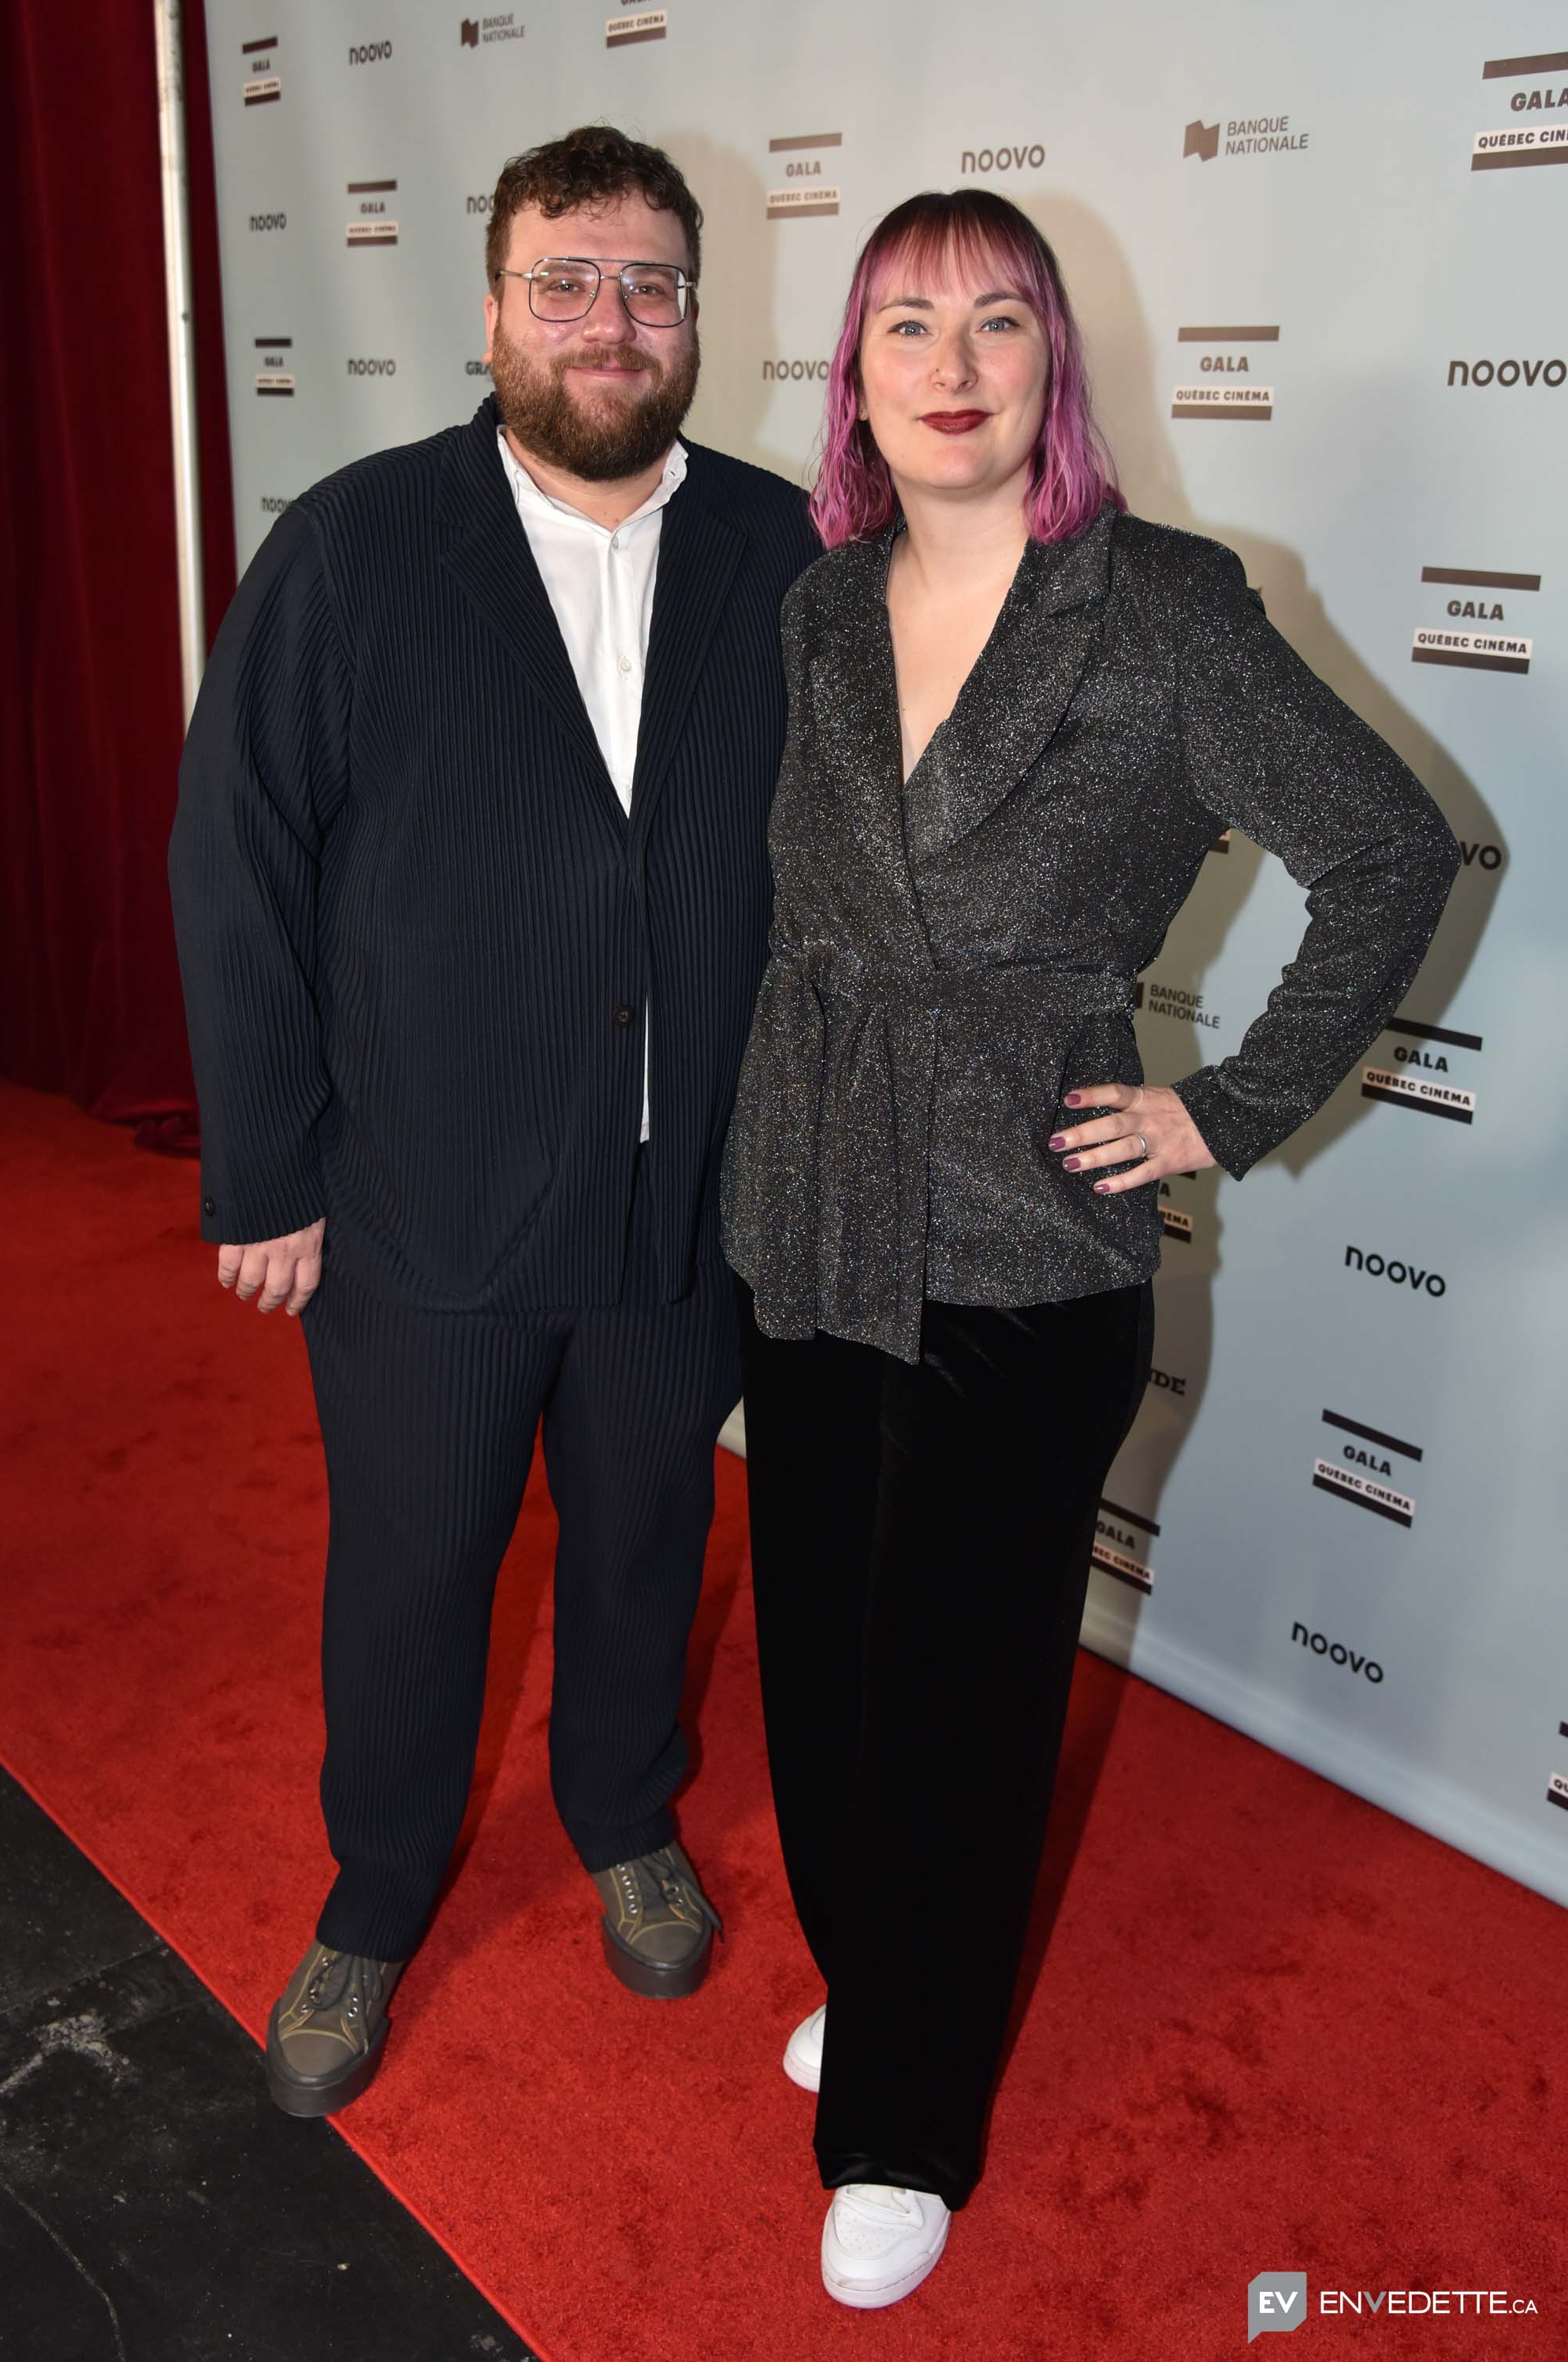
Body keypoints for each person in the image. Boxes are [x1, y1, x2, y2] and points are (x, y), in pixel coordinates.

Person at [720, 187, 1461, 2308]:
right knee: (823, 1662)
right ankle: (887, 1987)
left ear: (1054, 367)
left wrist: (1217, 1106)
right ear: (855, 381)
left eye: (995, 326)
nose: (948, 366)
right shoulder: (819, 604)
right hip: (812, 1201)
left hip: (1025, 1241)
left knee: (955, 1696)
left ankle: (905, 2121)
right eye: (901, 329)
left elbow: (1385, 848)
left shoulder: (1160, 610)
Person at [169, 125, 818, 2119]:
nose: (610, 322)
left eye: (650, 285)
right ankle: (372, 1901)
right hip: (418, 1209)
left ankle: (624, 1814)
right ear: (495, 308)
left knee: (643, 1546)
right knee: (413, 1567)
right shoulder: (358, 543)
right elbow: (236, 856)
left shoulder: (794, 555)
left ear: (697, 314)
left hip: (681, 1211)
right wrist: (265, 1163)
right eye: (567, 280)